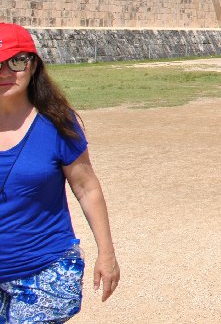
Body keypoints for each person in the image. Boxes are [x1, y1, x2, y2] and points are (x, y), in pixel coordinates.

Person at [0, 24, 120, 320]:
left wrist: (107, 253)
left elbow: (86, 188)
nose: (5, 72)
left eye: (15, 61)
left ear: (33, 64)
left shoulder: (56, 123)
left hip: (42, 271)